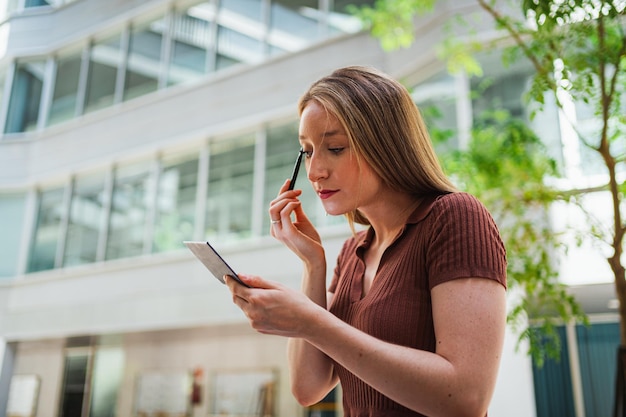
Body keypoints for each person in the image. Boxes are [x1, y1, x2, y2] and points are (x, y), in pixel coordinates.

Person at [225, 65, 507, 417]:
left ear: (385, 144)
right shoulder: (352, 252)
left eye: (336, 148)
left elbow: (466, 399)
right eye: (308, 151)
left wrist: (312, 321)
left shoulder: (454, 217)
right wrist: (313, 265)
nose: (315, 172)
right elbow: (307, 387)